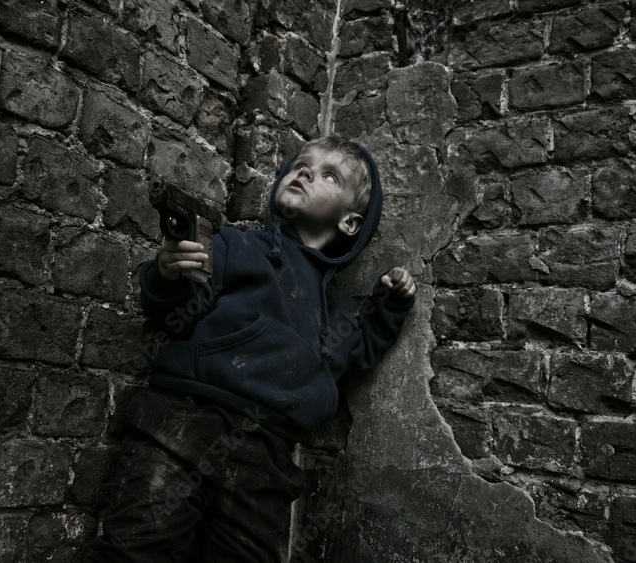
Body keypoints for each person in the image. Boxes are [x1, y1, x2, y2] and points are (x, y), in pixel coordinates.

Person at [80, 135, 416, 563]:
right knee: (136, 551)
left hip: (266, 464)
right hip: (183, 425)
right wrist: (166, 273)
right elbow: (173, 309)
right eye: (301, 165)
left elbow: (366, 345)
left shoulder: (339, 311)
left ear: (350, 223)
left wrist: (394, 301)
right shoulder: (235, 246)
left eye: (329, 175)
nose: (306, 173)